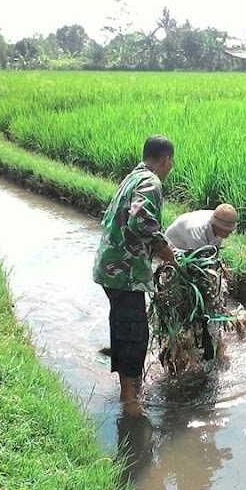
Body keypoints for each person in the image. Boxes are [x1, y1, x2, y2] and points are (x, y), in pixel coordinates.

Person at [93, 135, 177, 409]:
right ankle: (129, 399)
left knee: (122, 324)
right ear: (165, 160)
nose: (170, 168)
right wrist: (167, 253)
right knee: (135, 333)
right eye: (171, 163)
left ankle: (130, 382)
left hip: (110, 267)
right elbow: (139, 220)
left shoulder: (133, 175)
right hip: (125, 272)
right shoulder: (151, 182)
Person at [164, 204, 238, 360]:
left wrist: (220, 264)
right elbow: (199, 265)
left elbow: (212, 249)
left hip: (195, 251)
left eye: (230, 231)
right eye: (227, 231)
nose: (228, 234)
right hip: (175, 251)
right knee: (190, 294)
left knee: (210, 288)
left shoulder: (218, 222)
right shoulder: (196, 231)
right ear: (217, 226)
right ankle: (182, 333)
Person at [164, 204, 238, 252]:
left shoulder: (219, 220)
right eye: (225, 230)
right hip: (174, 246)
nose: (228, 233)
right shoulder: (196, 233)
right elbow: (200, 259)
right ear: (218, 228)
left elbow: (214, 250)